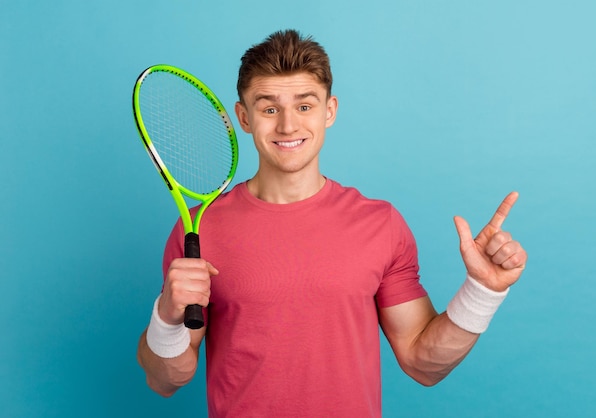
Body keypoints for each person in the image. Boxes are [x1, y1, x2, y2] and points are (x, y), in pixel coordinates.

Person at [137, 29, 527, 417]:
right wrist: (166, 318)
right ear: (244, 117)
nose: (288, 126)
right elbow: (164, 381)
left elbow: (424, 363)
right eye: (269, 108)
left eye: (304, 106)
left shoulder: (380, 224)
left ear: (330, 111)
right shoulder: (199, 230)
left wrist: (483, 292)